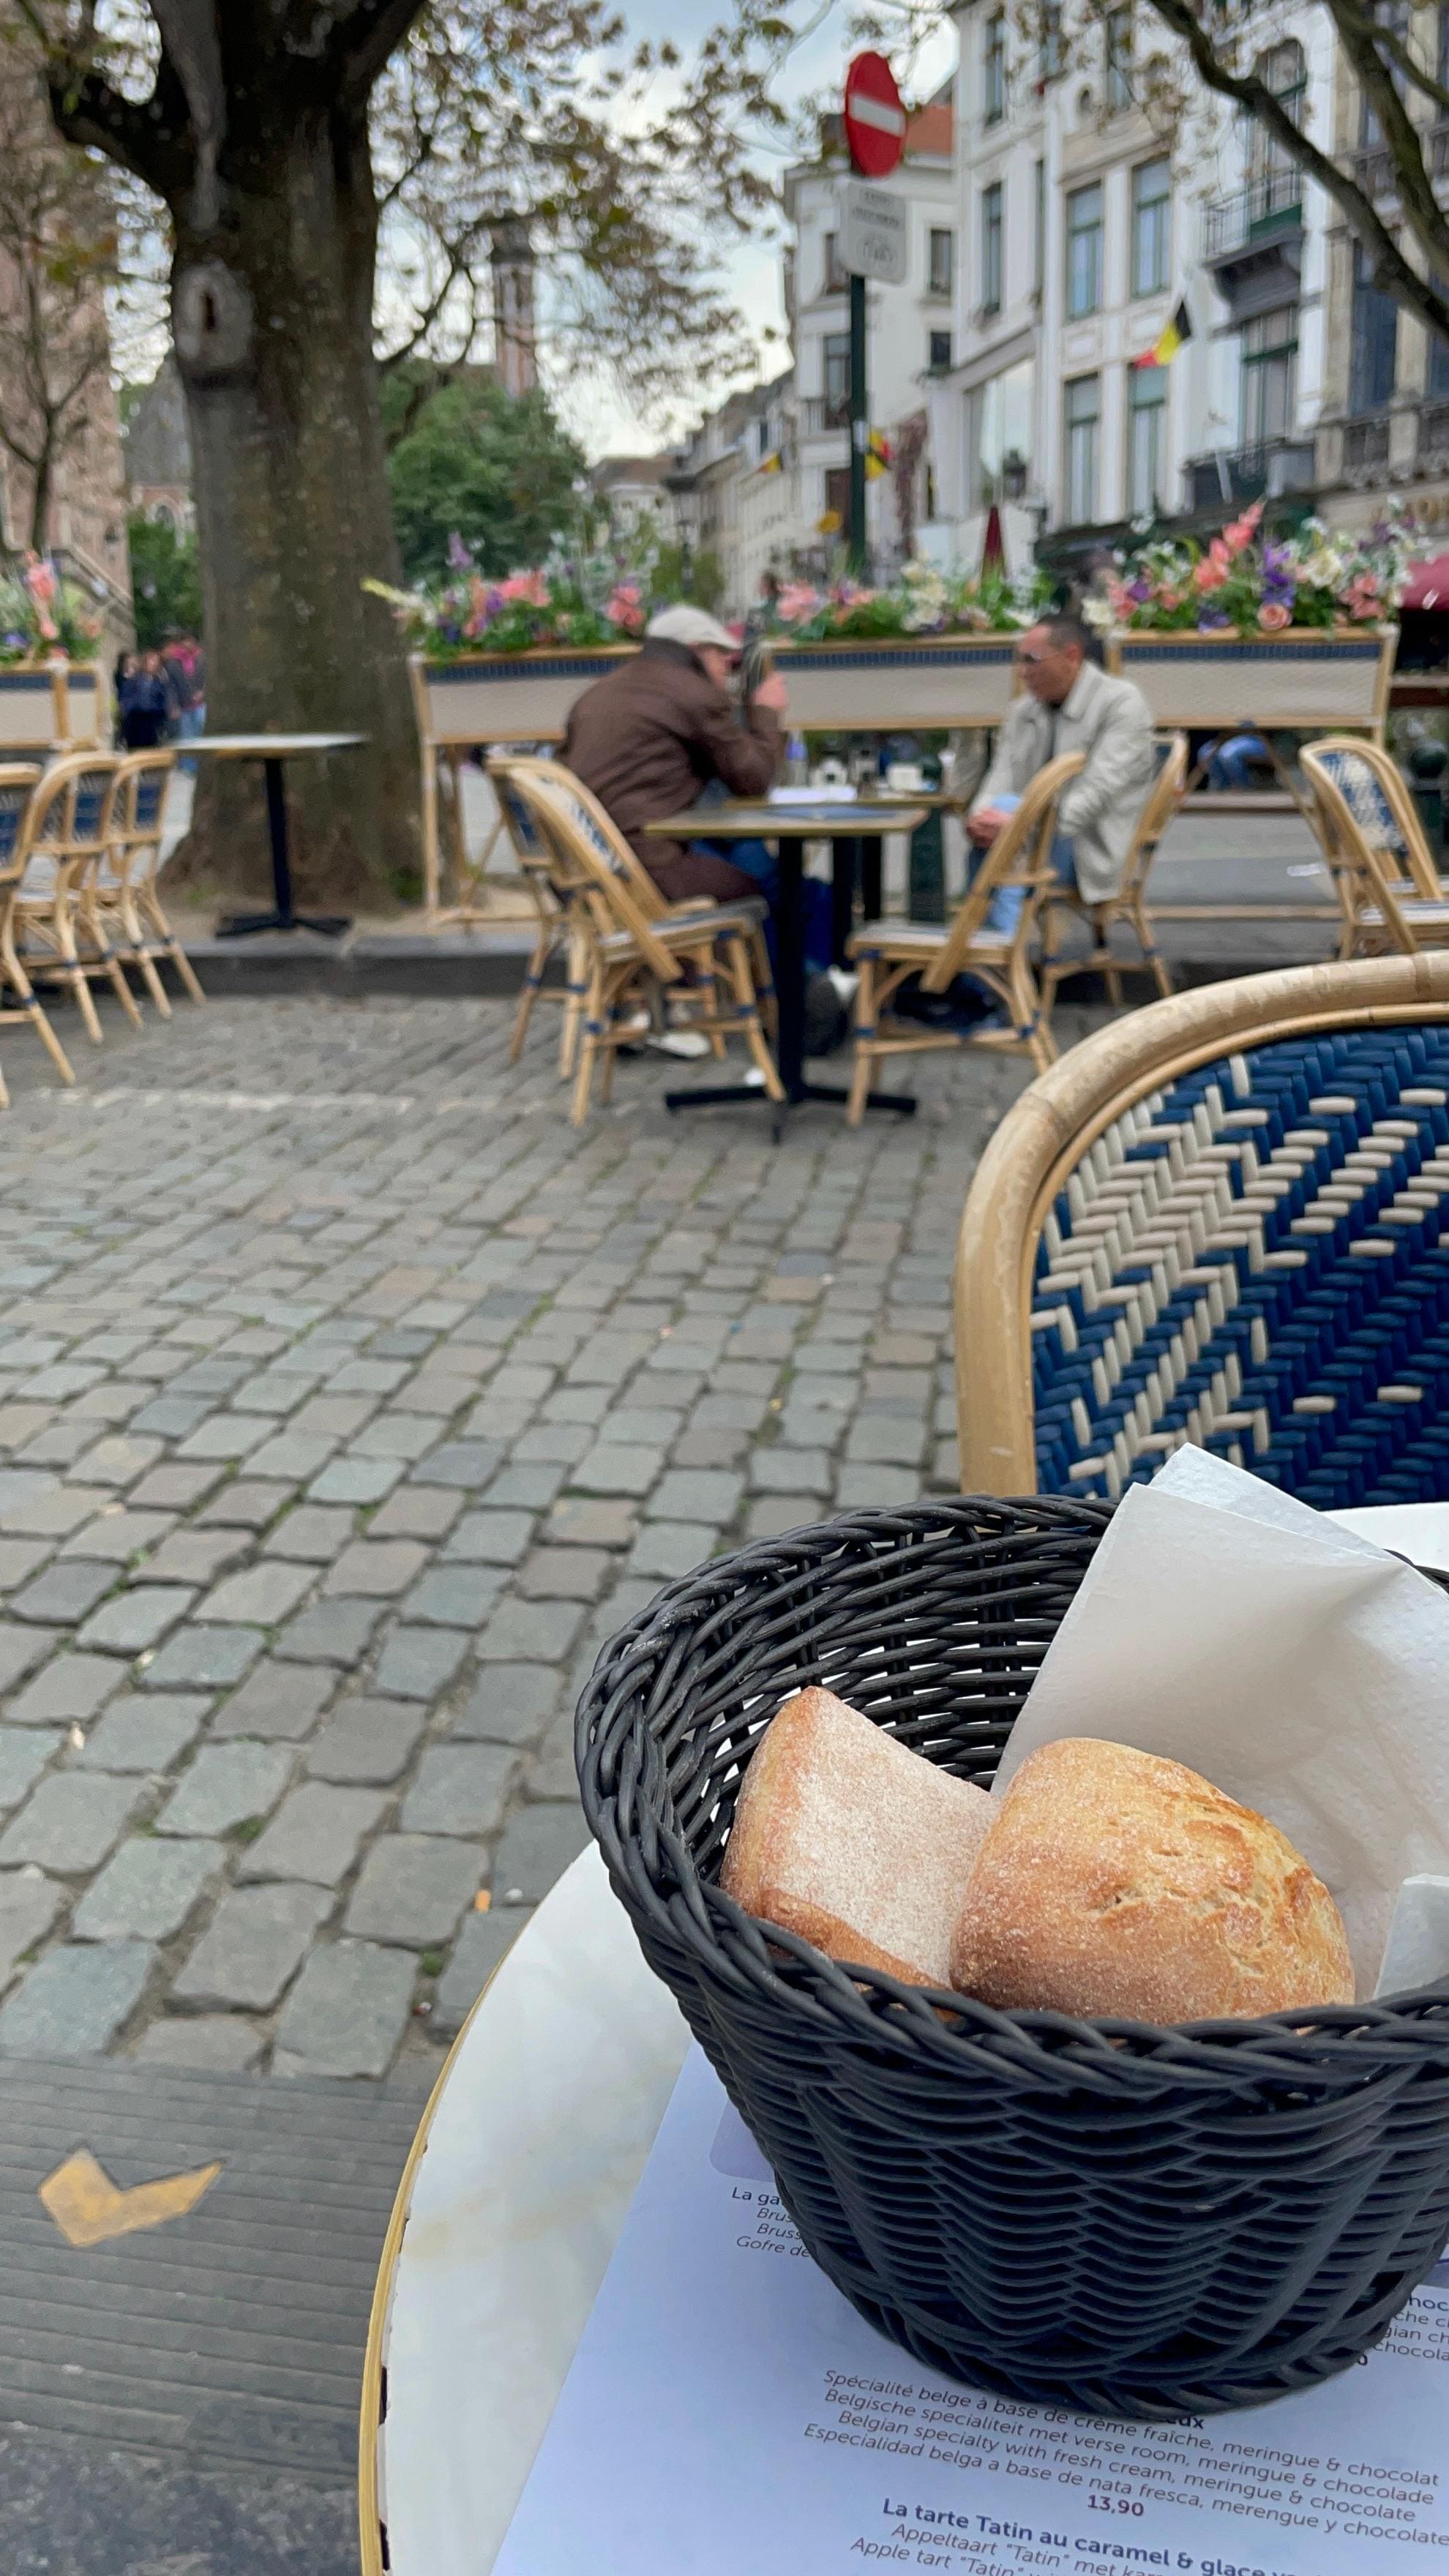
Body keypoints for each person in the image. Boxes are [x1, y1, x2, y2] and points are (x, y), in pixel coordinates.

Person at [562, 602, 789, 907]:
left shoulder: (598, 693)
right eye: (723, 656)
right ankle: (771, 956)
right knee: (760, 883)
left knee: (738, 856)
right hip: (645, 872)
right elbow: (754, 779)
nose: (727, 667)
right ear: (698, 651)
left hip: (590, 873)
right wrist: (765, 711)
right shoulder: (692, 692)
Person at [968, 613, 1157, 933]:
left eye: (1032, 660)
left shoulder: (1121, 702)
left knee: (1010, 816)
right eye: (1019, 660)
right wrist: (980, 817)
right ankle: (998, 947)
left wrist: (1020, 823)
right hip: (1027, 836)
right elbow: (999, 778)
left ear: (1071, 656)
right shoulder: (1023, 710)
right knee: (998, 813)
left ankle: (997, 950)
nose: (1023, 672)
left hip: (1088, 846)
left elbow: (1093, 797)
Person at [116, 648, 173, 751]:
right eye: (149, 660)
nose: (151, 663)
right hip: (135, 720)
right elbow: (125, 699)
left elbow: (163, 704)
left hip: (151, 722)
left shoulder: (159, 684)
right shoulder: (132, 681)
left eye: (154, 661)